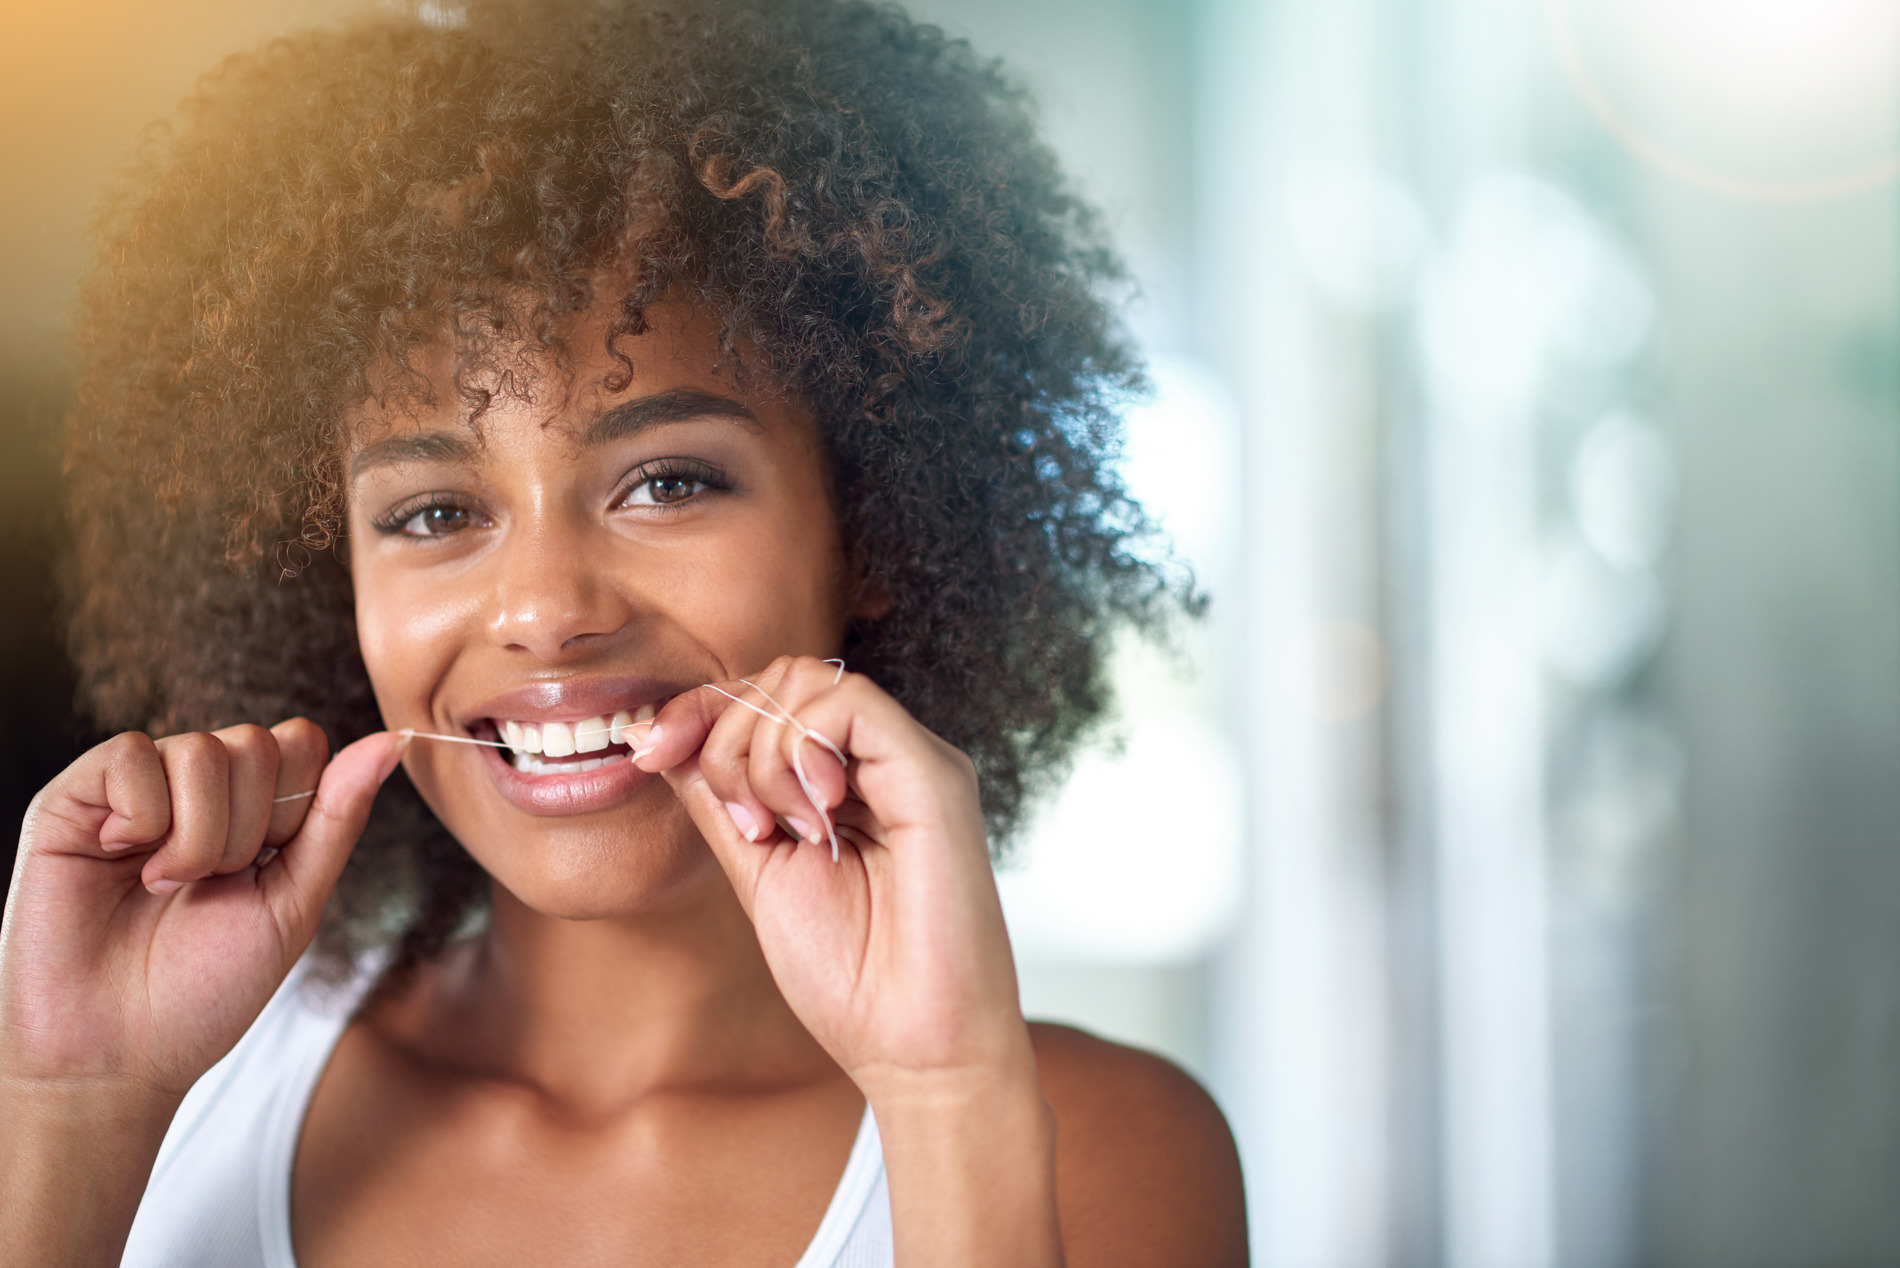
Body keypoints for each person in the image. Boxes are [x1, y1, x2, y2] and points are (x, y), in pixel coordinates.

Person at [0, 0, 1248, 1262]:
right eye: (434, 510)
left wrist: (941, 1097)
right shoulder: (165, 1099)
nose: (546, 609)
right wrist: (75, 1110)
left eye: (667, 481)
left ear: (870, 529)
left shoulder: (1100, 1145)